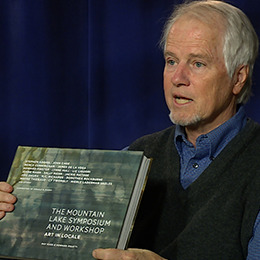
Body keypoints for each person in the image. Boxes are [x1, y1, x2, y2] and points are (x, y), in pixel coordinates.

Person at [0, 0, 260, 259]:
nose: (178, 78)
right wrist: (13, 215)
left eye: (198, 63)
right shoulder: (133, 158)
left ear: (238, 77)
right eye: (171, 61)